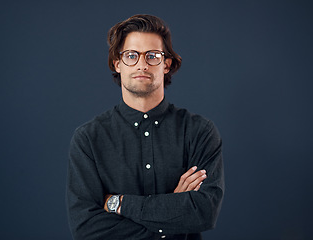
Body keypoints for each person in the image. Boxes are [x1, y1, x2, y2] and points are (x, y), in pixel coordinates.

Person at [66, 14, 224, 240]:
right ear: (117, 64)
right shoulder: (88, 139)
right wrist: (173, 215)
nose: (142, 64)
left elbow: (204, 213)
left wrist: (118, 204)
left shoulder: (199, 131)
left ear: (166, 64)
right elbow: (87, 229)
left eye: (152, 56)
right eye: (131, 55)